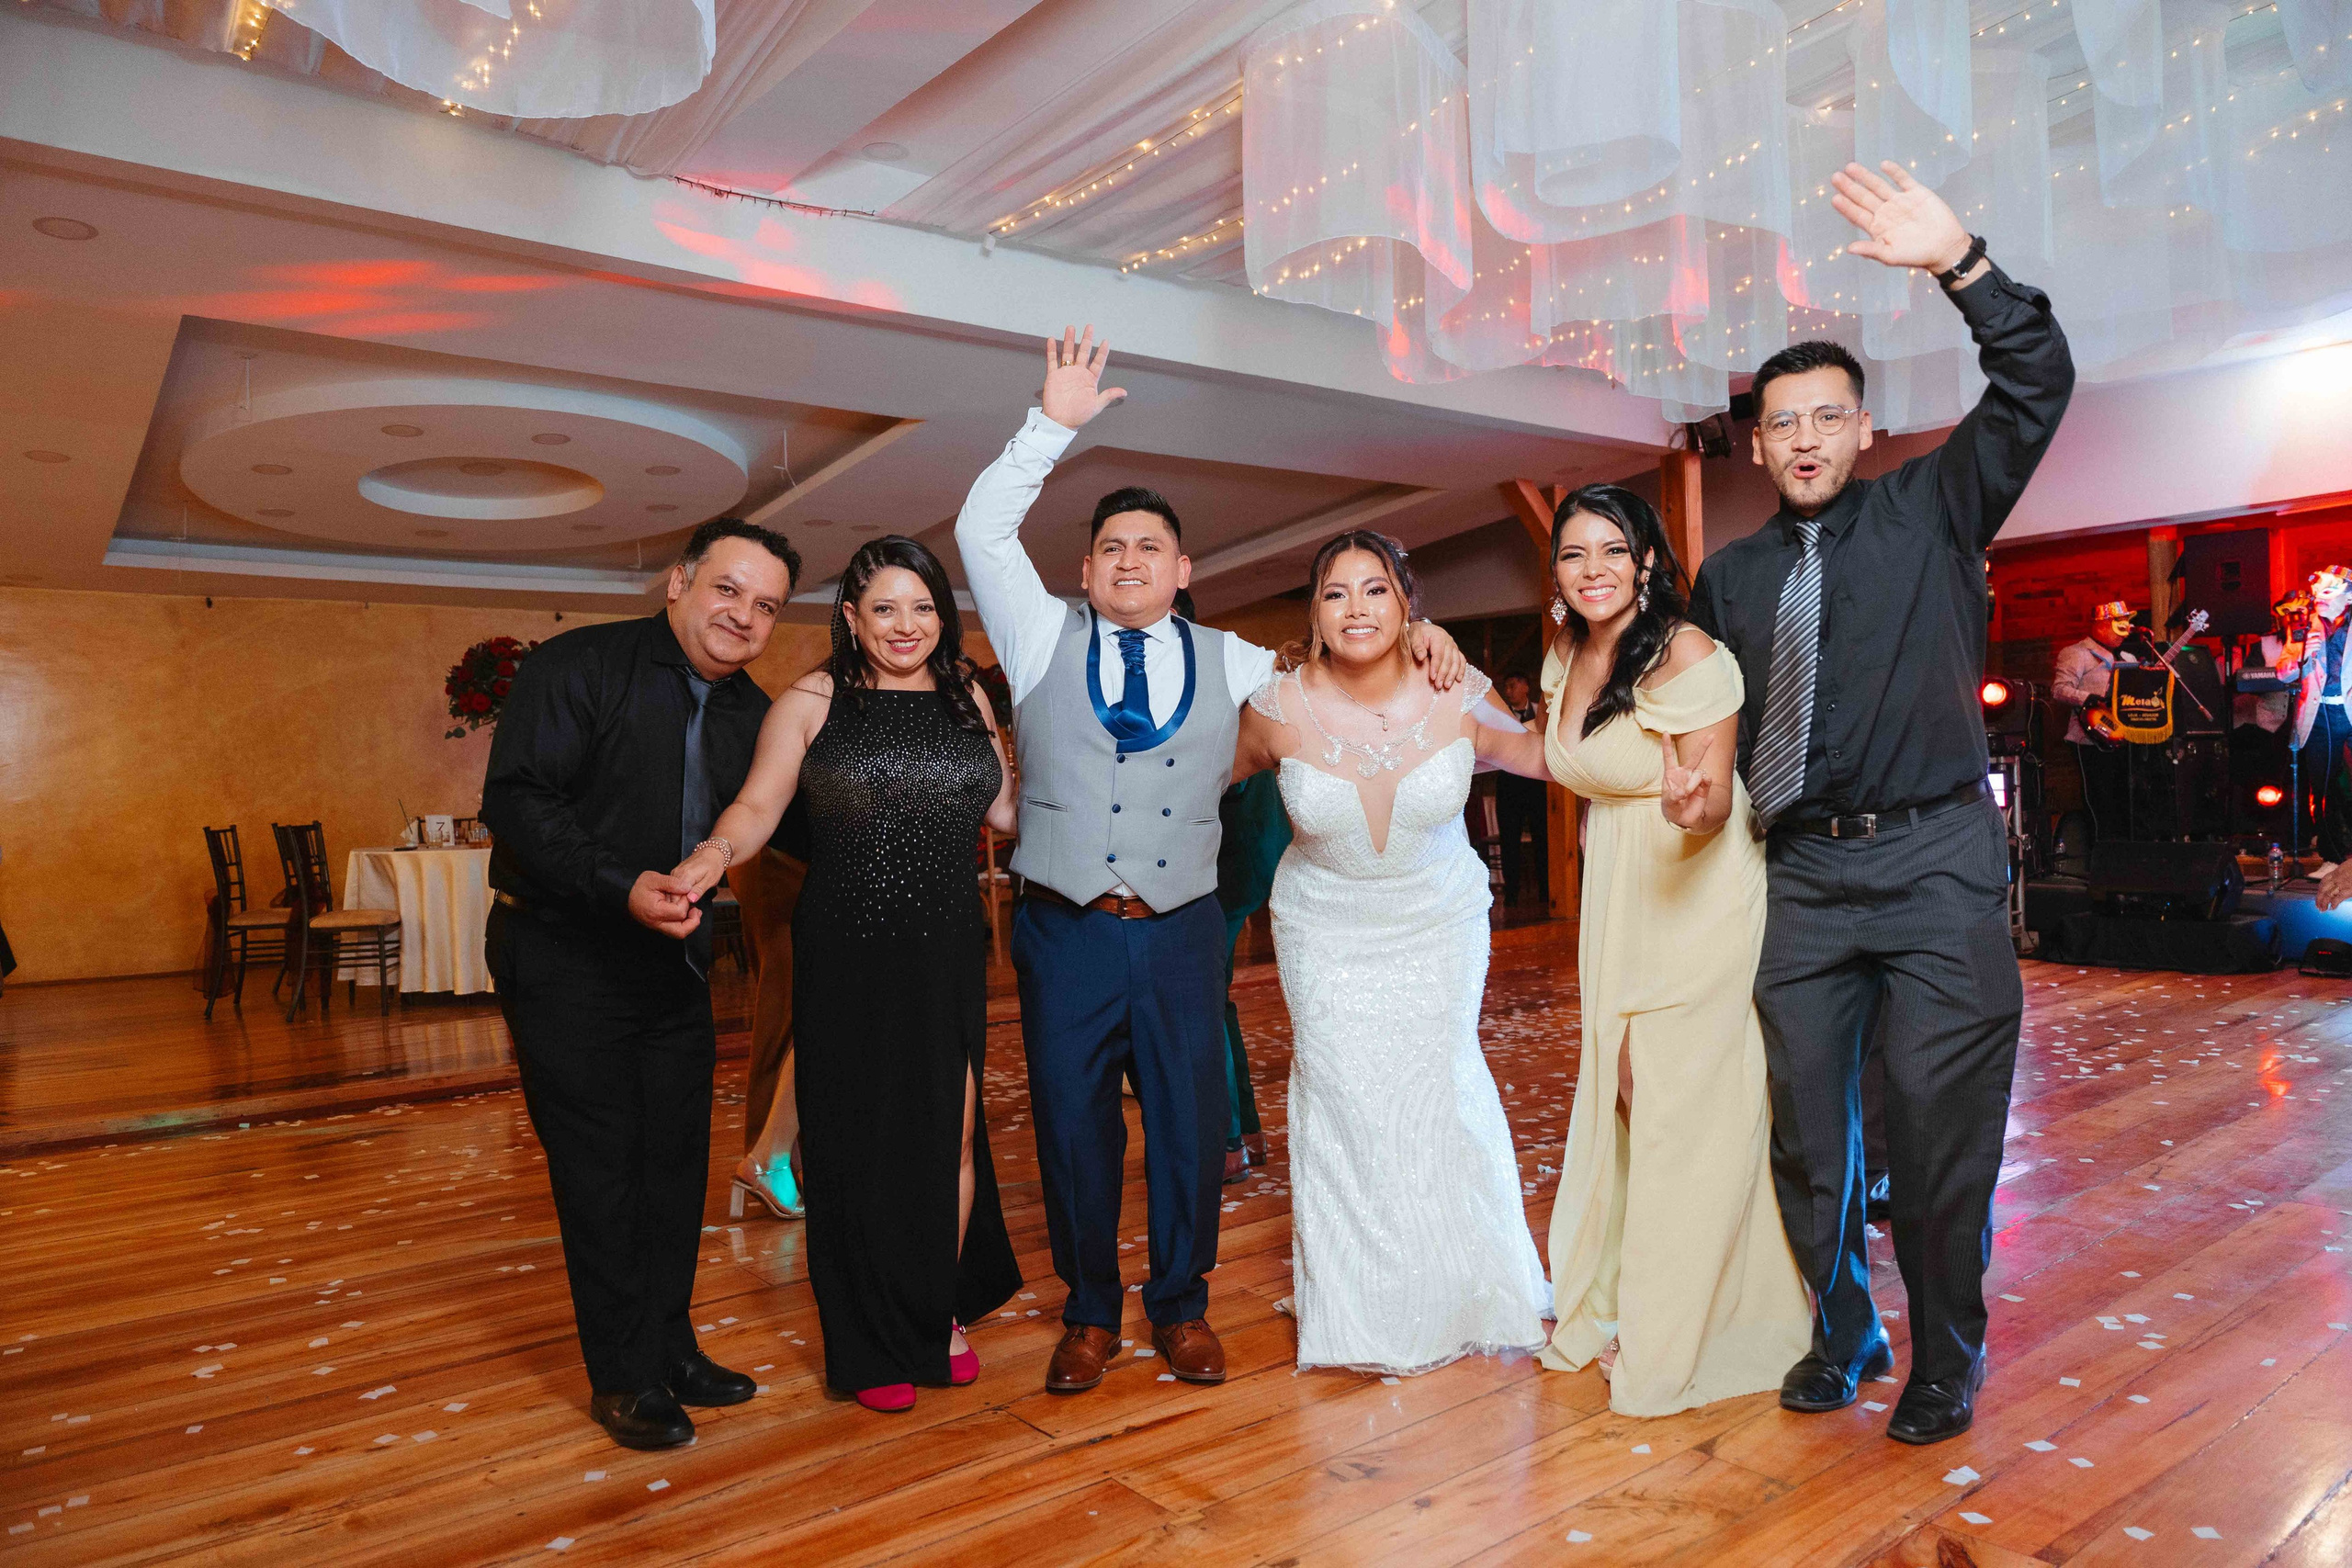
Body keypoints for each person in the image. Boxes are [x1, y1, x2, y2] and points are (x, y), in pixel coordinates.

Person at [952, 326, 1466, 1394]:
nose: (1129, 561)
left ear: (1182, 571)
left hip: (1182, 931)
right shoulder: (1036, 635)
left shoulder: (1234, 657)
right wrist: (1052, 423)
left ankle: (1179, 1305)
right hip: (1063, 932)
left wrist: (1426, 638)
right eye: (1111, 548)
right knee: (1071, 1128)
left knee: (1188, 1126)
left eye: (1150, 548)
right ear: (1085, 568)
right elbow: (979, 526)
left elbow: (1341, 671)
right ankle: (1090, 1313)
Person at [1689, 160, 2074, 1445]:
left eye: (1827, 416)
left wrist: (1961, 261)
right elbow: (1676, 700)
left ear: (1861, 429)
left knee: (1938, 1121)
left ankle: (1946, 1353)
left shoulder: (1934, 509)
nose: (1803, 437)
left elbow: (2036, 385)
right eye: (1781, 421)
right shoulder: (1724, 575)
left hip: (1937, 863)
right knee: (1808, 1133)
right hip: (1799, 875)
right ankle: (1843, 1323)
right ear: (1757, 440)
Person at [674, 536, 1023, 1412]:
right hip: (847, 947)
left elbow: (1007, 809)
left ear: (942, 617)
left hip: (946, 948)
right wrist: (716, 850)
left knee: (949, 1132)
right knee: (857, 1144)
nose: (906, 626)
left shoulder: (965, 696)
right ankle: (867, 1337)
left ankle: (936, 1312)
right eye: (885, 608)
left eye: (923, 608)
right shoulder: (811, 700)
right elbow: (759, 805)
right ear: (851, 616)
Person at [481, 517, 800, 1451]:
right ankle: (623, 1374)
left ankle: (674, 1348)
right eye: (729, 589)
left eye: (767, 606)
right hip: (562, 952)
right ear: (679, 582)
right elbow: (517, 801)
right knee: (601, 1171)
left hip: (674, 964)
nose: (743, 616)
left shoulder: (752, 714)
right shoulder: (577, 667)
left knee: (671, 1169)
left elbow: (781, 822)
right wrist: (622, 885)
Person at [1508, 485, 1810, 1414]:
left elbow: (1711, 795)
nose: (1591, 569)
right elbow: (1551, 756)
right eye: (1572, 554)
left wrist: (1694, 802)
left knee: (1682, 1105)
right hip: (1621, 900)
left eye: (1611, 550)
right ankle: (1659, 1293)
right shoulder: (1568, 651)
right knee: (1636, 1096)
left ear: (1646, 561)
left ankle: (1702, 1322)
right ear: (1555, 574)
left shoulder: (1688, 652)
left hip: (1697, 885)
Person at [1231, 529, 1551, 1374]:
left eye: (1375, 589)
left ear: (1406, 602)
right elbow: (1192, 791)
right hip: (1324, 932)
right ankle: (1363, 1307)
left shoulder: (1456, 688)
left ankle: (1467, 1288)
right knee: (1344, 1099)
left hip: (1439, 925)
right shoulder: (1274, 706)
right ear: (1315, 611)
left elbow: (1543, 754)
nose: (1356, 608)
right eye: (1336, 593)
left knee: (1439, 1086)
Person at [728, 797, 809, 1220]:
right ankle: (767, 1158)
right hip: (781, 849)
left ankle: (785, 1158)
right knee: (795, 1016)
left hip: (785, 847)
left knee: (798, 1012)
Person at [1213, 770, 1285, 1183]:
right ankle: (1247, 1135)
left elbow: (1226, 776)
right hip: (1250, 843)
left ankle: (1227, 1144)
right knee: (1215, 999)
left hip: (1233, 854)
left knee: (1203, 1000)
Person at [2052, 600, 2138, 842]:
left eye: (2126, 623)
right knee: (2099, 797)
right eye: (2118, 623)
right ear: (2101, 625)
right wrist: (2090, 698)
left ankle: (2124, 851)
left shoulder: (2129, 655)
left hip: (2125, 736)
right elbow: (2059, 690)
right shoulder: (2076, 653)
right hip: (2089, 736)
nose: (2125, 628)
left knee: (2125, 797)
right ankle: (2099, 855)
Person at [2290, 566, 2352, 861]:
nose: (2319, 599)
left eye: (2327, 592)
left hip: (2349, 710)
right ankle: (2331, 857)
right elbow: (2283, 670)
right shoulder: (2304, 626)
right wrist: (2301, 657)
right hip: (2320, 715)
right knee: (2322, 789)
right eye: (2316, 594)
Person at [1495, 673, 1551, 908]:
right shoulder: (1499, 715)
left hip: (1538, 787)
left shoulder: (1541, 713)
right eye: (1506, 686)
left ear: (1526, 686)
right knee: (1509, 842)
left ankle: (1547, 892)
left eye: (1512, 684)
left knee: (1543, 839)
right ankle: (1512, 894)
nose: (1508, 690)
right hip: (1509, 788)